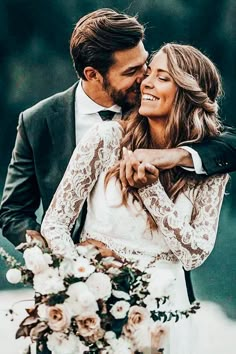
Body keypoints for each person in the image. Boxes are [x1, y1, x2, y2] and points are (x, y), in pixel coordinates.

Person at [0, 8, 235, 309]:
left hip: (168, 300)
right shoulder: (39, 121)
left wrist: (171, 156)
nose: (143, 80)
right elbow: (14, 212)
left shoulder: (149, 109)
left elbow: (228, 145)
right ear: (93, 75)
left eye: (146, 66)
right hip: (81, 296)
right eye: (132, 72)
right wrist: (70, 269)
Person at [40, 42, 229, 353]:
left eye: (163, 77)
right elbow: (55, 224)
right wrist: (81, 282)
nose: (147, 82)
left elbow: (194, 254)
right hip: (99, 303)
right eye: (149, 73)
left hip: (167, 313)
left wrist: (149, 188)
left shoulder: (208, 166)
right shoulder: (107, 138)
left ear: (188, 92)